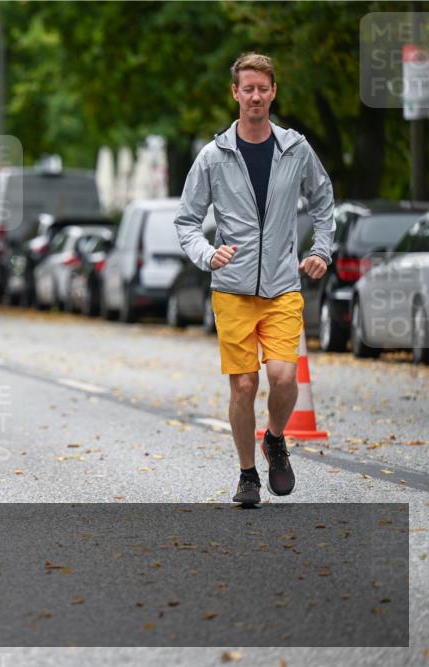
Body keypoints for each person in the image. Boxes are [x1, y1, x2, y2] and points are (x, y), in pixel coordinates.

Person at [174, 53, 334, 507]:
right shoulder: (214, 155)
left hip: (283, 284)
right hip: (232, 289)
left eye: (263, 88)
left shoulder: (295, 149)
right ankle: (247, 475)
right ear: (236, 94)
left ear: (273, 92)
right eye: (248, 89)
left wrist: (320, 250)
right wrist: (208, 254)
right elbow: (187, 220)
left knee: (285, 379)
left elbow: (323, 201)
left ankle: (276, 438)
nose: (256, 96)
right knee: (244, 385)